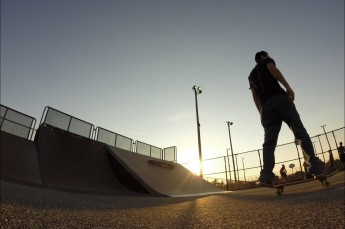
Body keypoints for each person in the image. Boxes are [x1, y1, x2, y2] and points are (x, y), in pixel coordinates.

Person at [248, 51, 325, 185]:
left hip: (265, 107)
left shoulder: (251, 75)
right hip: (280, 99)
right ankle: (316, 167)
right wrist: (287, 86)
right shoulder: (266, 61)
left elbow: (254, 96)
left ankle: (266, 175)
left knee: (269, 141)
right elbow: (273, 70)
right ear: (263, 56)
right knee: (299, 131)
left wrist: (260, 111)